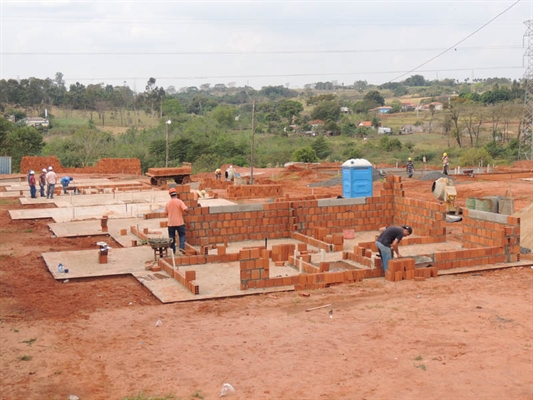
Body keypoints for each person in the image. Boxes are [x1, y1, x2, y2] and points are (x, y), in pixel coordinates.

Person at [165, 187, 189, 254]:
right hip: (179, 223)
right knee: (182, 235)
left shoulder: (168, 203)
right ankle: (182, 247)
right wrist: (188, 210)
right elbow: (186, 209)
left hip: (171, 224)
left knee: (171, 237)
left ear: (170, 195)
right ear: (176, 194)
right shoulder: (179, 201)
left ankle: (173, 251)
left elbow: (166, 213)